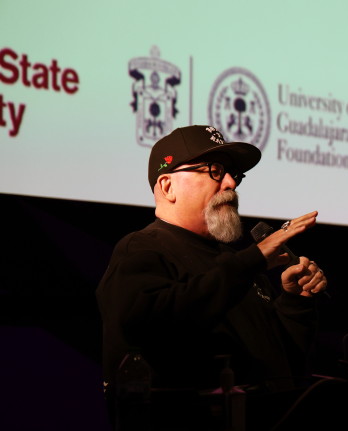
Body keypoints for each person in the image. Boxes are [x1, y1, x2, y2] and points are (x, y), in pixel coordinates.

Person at [95, 125, 327, 418]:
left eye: (234, 174)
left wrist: (295, 302)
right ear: (168, 186)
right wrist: (250, 260)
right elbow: (151, 326)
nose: (231, 183)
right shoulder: (140, 250)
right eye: (215, 170)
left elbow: (282, 369)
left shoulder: (238, 265)